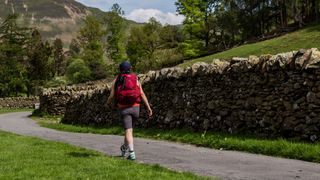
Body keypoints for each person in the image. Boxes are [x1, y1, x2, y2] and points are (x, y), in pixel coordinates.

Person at [107, 61, 153, 160]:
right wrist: (148, 107)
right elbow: (141, 93)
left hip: (124, 108)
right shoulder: (135, 78)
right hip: (136, 107)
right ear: (130, 69)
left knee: (128, 130)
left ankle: (131, 153)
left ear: (120, 69)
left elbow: (111, 96)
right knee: (129, 131)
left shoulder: (117, 79)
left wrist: (108, 102)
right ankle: (124, 148)